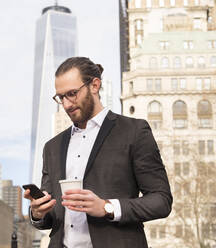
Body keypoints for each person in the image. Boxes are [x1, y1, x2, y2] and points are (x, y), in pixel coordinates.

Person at [24, 57, 173, 248]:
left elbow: (161, 200)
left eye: (72, 93)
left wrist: (106, 207)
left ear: (94, 85)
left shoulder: (134, 131)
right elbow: (52, 216)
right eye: (61, 97)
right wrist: (38, 212)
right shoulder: (52, 146)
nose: (67, 104)